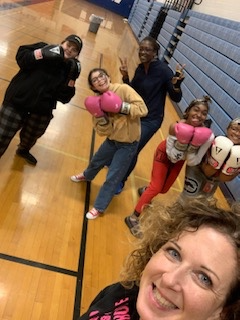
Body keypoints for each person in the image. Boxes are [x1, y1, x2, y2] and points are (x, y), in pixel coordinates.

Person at [78, 197, 240, 320]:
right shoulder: (122, 292)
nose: (169, 279)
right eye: (174, 253)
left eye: (204, 278)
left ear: (224, 311)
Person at [125, 96, 214, 236]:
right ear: (188, 111)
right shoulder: (176, 126)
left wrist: (191, 148)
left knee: (164, 189)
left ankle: (146, 191)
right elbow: (171, 154)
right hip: (165, 154)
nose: (199, 115)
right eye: (196, 110)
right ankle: (133, 217)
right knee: (156, 187)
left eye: (204, 113)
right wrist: (183, 144)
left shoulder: (207, 136)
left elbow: (194, 161)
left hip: (181, 160)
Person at [70, 68, 148, 220]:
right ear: (93, 87)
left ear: (108, 76)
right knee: (96, 161)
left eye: (102, 76)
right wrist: (101, 116)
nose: (100, 80)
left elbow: (143, 109)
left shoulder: (123, 89)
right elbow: (101, 131)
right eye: (95, 80)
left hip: (127, 145)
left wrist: (121, 108)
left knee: (113, 176)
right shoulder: (95, 102)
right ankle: (87, 176)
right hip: (112, 141)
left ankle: (99, 207)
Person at [115, 36, 184, 194]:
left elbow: (176, 97)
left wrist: (177, 85)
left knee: (133, 148)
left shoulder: (164, 71)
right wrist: (125, 76)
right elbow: (133, 92)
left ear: (155, 52)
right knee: (123, 141)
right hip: (136, 114)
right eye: (141, 49)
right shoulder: (140, 69)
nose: (143, 52)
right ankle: (116, 163)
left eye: (147, 49)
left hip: (152, 119)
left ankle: (121, 180)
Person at [0, 34, 82, 165]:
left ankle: (23, 150)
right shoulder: (43, 47)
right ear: (62, 43)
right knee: (1, 135)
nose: (70, 49)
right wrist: (41, 53)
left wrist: (72, 79)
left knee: (31, 137)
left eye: (75, 49)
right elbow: (21, 57)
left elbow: (65, 98)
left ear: (76, 55)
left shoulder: (69, 69)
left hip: (42, 110)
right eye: (68, 45)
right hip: (17, 101)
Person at [181, 117, 240, 199]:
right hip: (197, 170)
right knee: (187, 198)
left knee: (203, 203)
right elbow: (207, 171)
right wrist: (216, 162)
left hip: (214, 178)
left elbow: (224, 178)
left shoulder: (238, 153)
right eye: (234, 129)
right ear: (227, 129)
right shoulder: (215, 142)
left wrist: (229, 169)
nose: (237, 134)